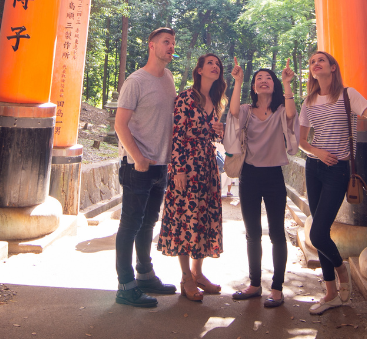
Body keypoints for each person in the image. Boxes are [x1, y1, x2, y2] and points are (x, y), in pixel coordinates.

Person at [299, 50, 367, 315]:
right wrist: (318, 152)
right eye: (312, 61)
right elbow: (302, 143)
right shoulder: (309, 101)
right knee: (321, 232)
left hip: (337, 171)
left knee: (317, 233)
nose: (316, 64)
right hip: (313, 168)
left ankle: (342, 272)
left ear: (333, 67)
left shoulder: (349, 95)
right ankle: (330, 294)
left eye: (321, 60)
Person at [112, 27, 180, 308]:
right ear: (152, 46)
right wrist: (138, 158)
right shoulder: (136, 81)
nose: (171, 47)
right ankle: (125, 286)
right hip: (137, 166)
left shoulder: (168, 79)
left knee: (148, 223)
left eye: (173, 43)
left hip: (161, 165)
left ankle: (145, 275)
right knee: (130, 225)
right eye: (166, 42)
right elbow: (120, 124)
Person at [156, 53, 226, 302]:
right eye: (210, 63)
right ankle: (185, 276)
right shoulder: (187, 97)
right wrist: (178, 170)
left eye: (218, 64)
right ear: (199, 70)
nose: (215, 67)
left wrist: (220, 131)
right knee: (185, 219)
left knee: (203, 218)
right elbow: (177, 134)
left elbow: (216, 137)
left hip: (207, 165)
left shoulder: (215, 100)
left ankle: (198, 273)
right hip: (187, 165)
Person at [228, 59, 298, 309]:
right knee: (253, 233)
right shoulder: (246, 109)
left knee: (277, 233)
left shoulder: (281, 110)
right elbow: (233, 112)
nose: (263, 80)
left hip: (273, 177)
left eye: (268, 77)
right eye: (258, 78)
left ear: (275, 84)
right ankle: (255, 284)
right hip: (249, 175)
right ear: (254, 87)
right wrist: (237, 81)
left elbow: (291, 116)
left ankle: (277, 287)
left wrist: (288, 84)